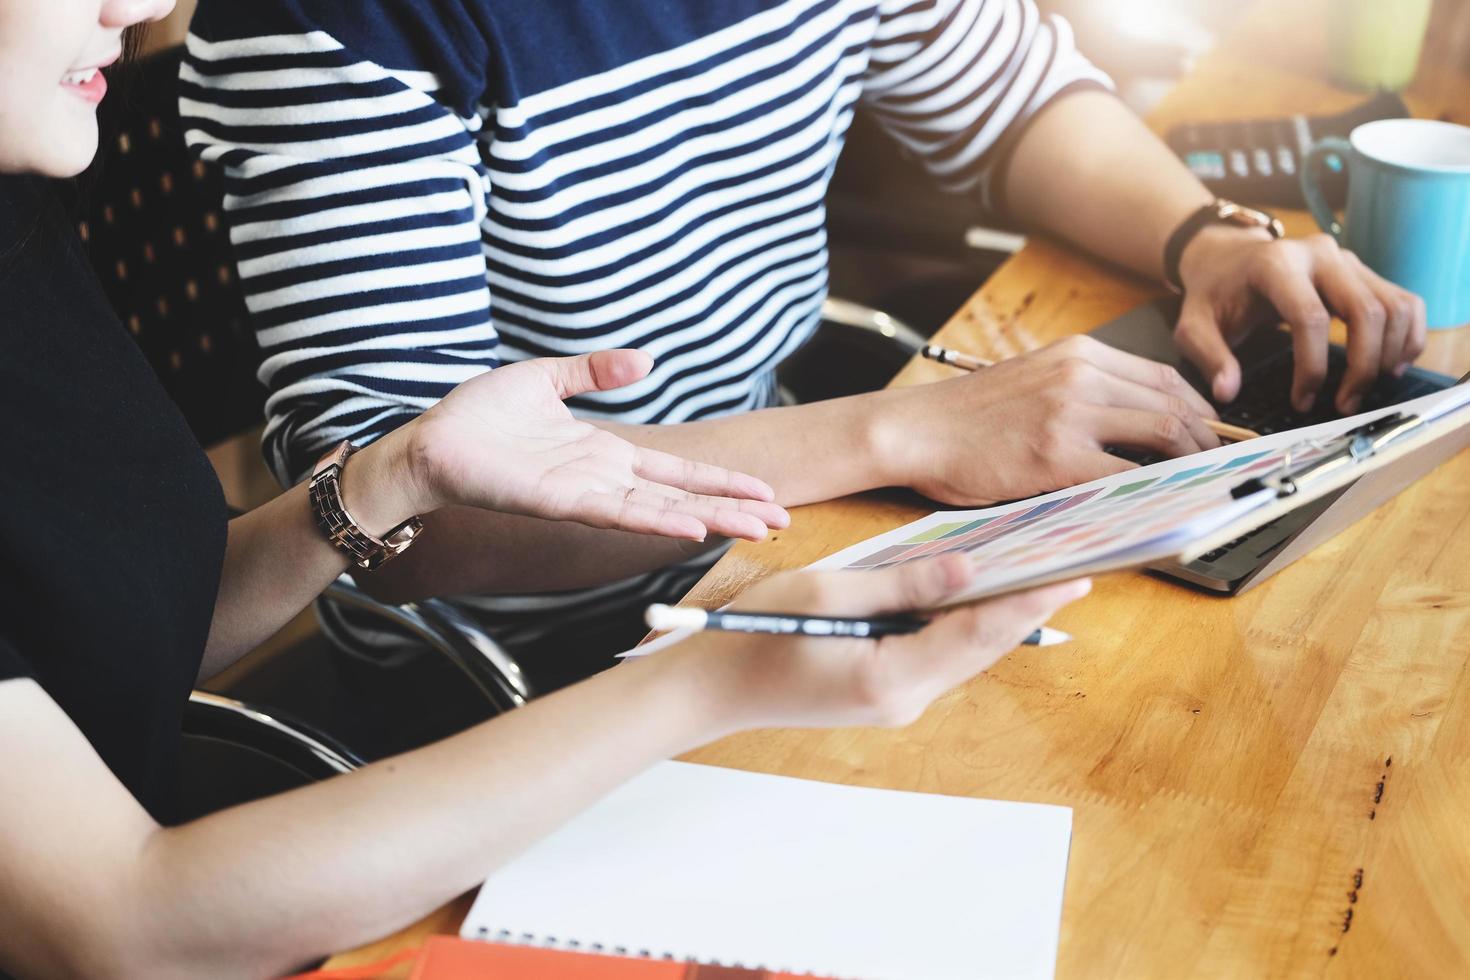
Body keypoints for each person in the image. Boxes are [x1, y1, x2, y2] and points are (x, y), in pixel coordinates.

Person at [0, 2, 1092, 976]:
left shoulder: (24, 209)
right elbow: (124, 922)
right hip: (282, 834)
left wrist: (392, 477)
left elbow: (120, 630)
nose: (145, 7)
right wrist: (709, 674)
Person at [180, 0, 1429, 688]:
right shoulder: (329, 20)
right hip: (519, 668)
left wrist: (1200, 235)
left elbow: (1012, 94)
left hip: (782, 537)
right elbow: (406, 522)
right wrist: (901, 430)